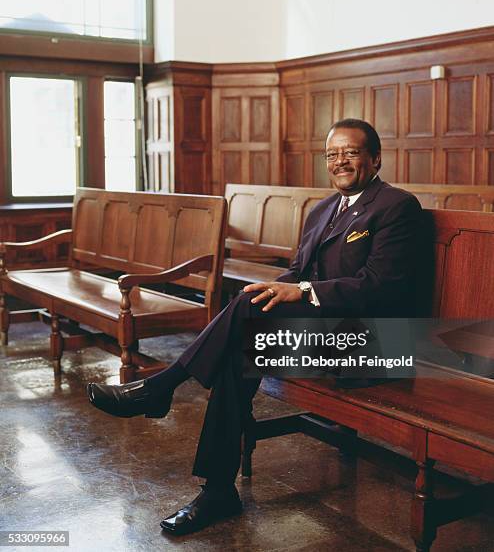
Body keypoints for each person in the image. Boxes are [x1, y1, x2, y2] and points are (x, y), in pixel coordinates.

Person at [87, 118, 422, 536]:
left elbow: (381, 287)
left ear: (374, 159)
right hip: (321, 334)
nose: (340, 162)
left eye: (350, 153)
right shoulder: (321, 212)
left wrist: (302, 294)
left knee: (242, 337)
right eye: (332, 154)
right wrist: (277, 289)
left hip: (375, 343)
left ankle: (164, 392)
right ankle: (216, 487)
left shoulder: (396, 207)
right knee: (243, 335)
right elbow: (298, 272)